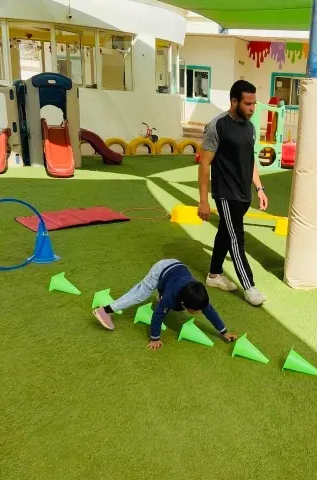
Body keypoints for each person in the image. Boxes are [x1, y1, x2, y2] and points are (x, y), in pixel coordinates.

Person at [198, 79, 268, 307]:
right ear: (234, 101)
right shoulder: (217, 126)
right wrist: (203, 201)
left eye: (254, 103)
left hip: (244, 193)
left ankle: (214, 275)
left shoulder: (250, 127)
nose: (252, 108)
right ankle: (250, 287)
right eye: (248, 103)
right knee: (237, 239)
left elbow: (250, 160)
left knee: (225, 234)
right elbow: (204, 165)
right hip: (226, 193)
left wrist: (259, 188)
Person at [92, 259, 237, 350]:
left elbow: (211, 313)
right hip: (161, 269)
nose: (200, 312)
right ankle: (105, 310)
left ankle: (160, 295)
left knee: (168, 298)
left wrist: (224, 332)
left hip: (177, 271)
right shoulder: (171, 298)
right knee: (140, 294)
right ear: (184, 303)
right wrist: (155, 338)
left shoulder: (199, 298)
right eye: (196, 310)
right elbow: (157, 316)